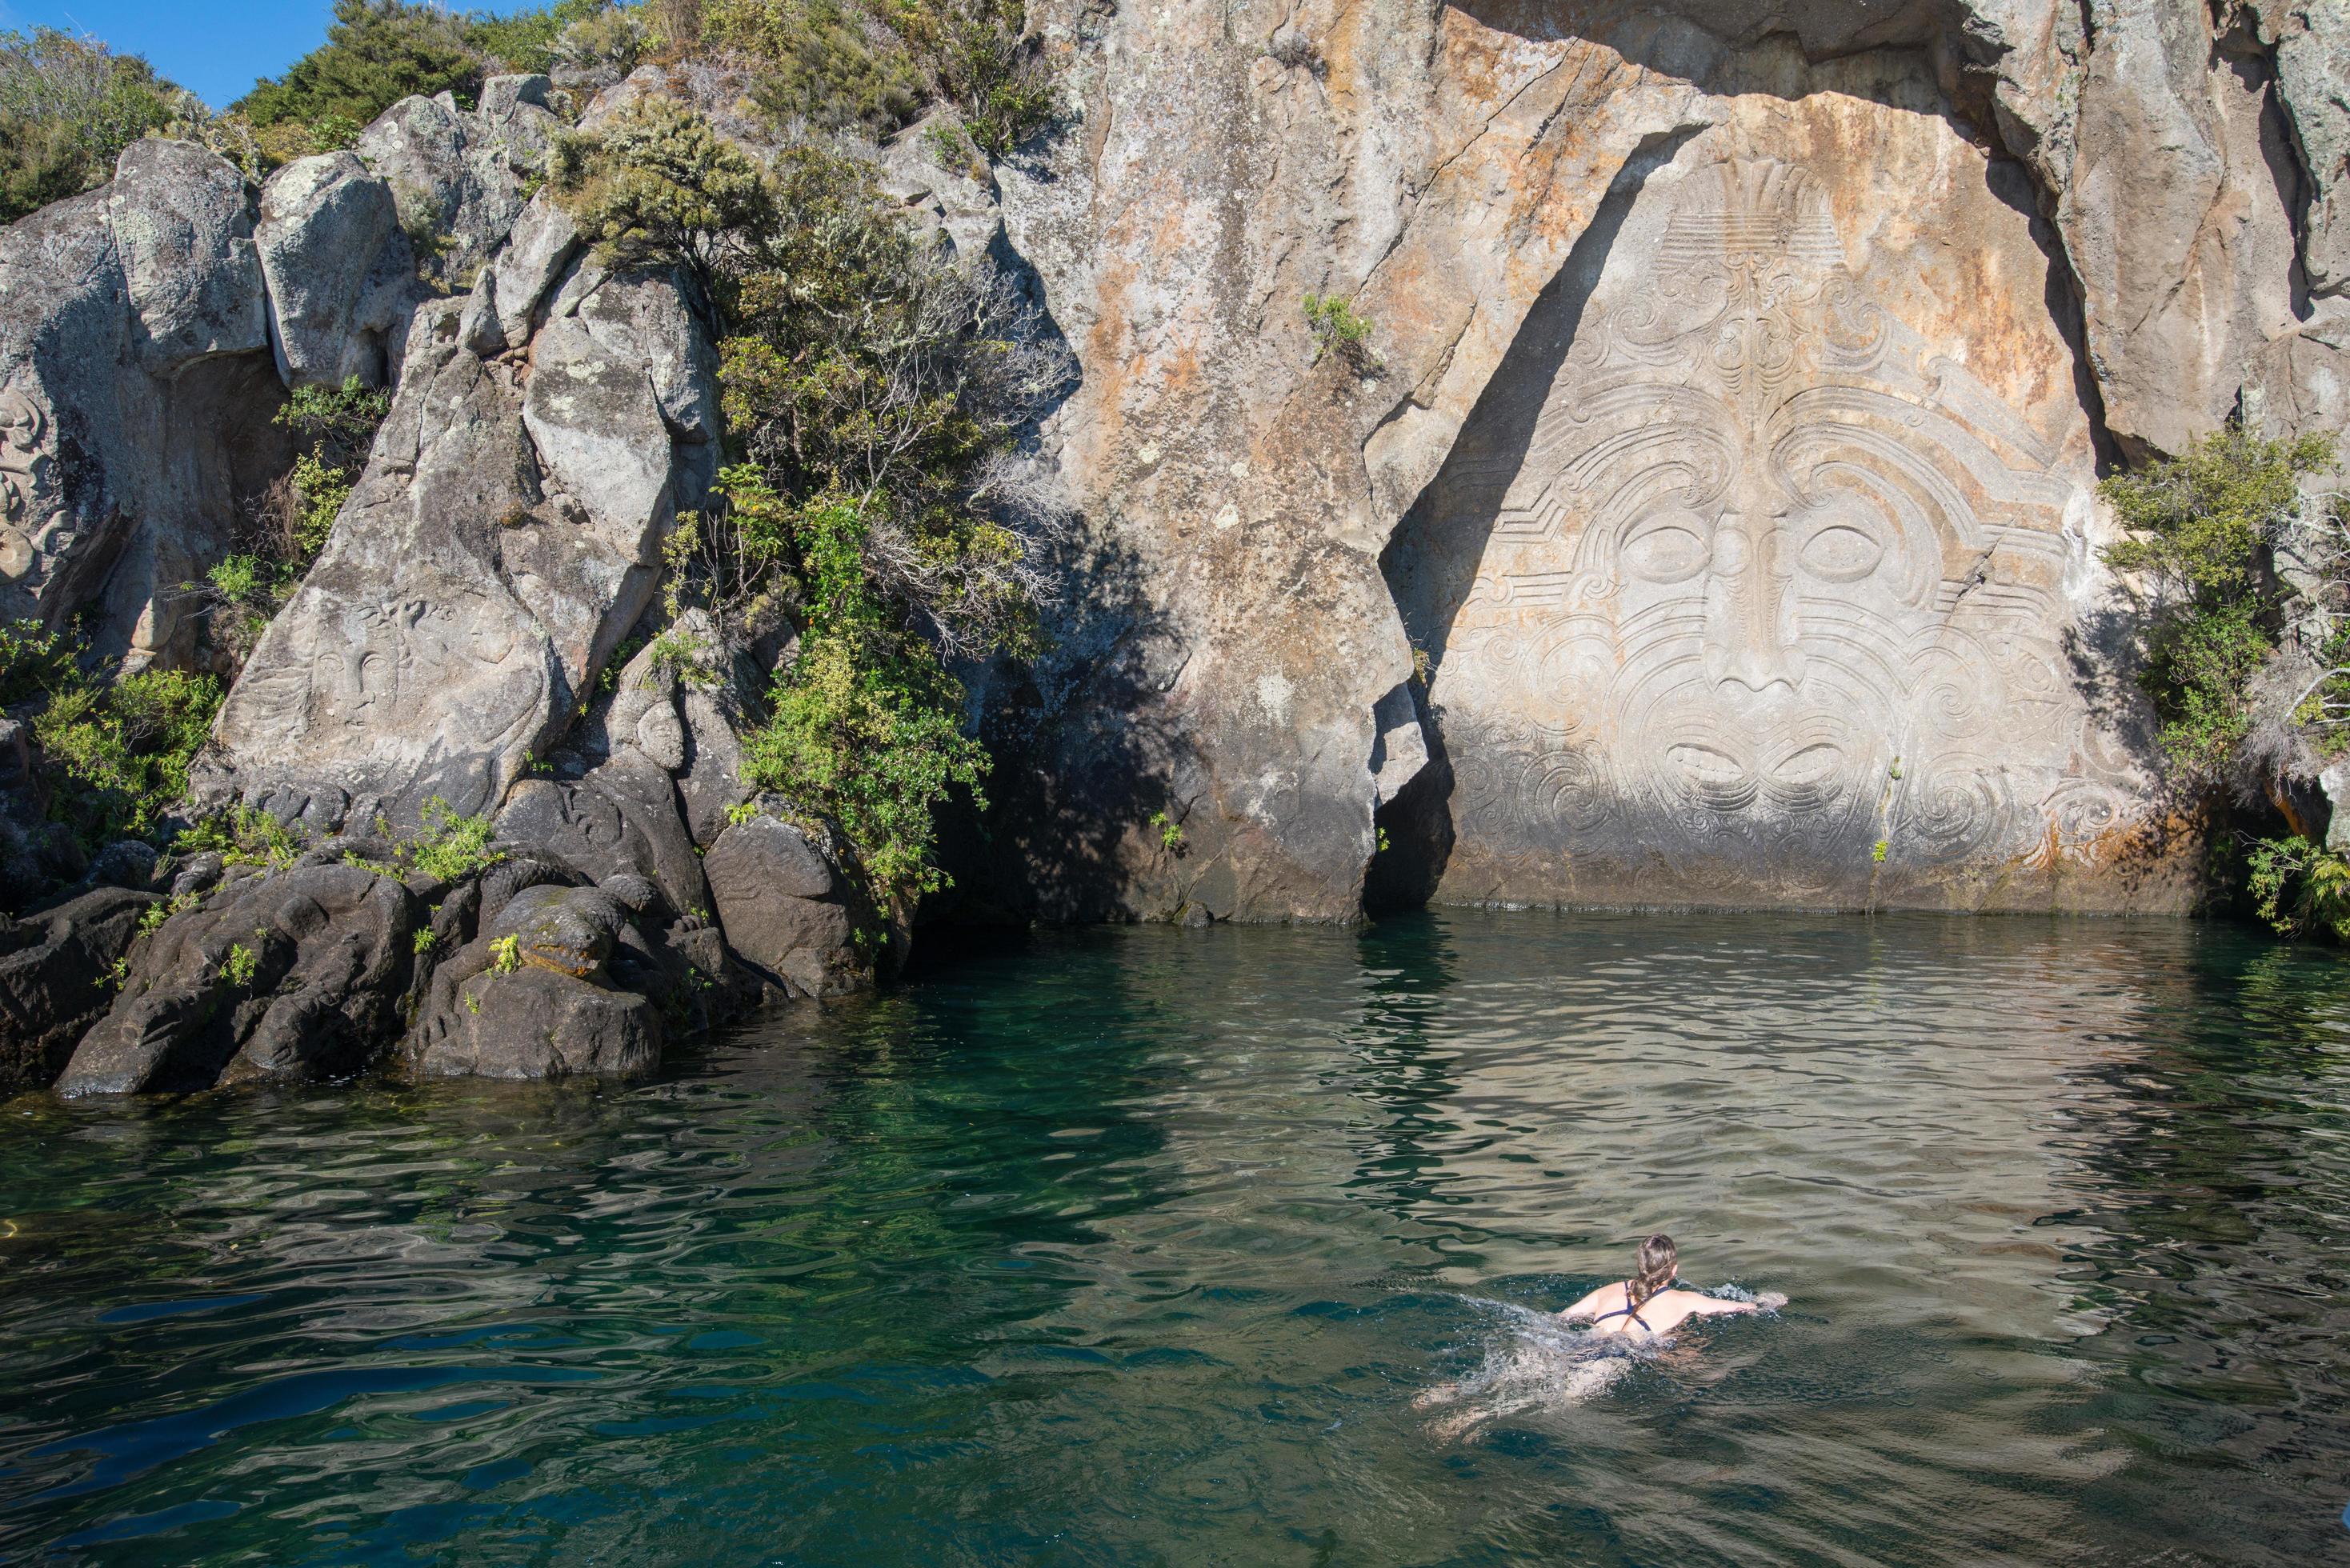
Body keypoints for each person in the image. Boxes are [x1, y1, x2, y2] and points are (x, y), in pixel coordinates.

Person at [1559, 1234, 1772, 1338]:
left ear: (1640, 1264)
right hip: (1621, 1355)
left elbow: (1561, 1319)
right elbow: (1747, 1308)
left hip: (1584, 1341)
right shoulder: (1686, 1300)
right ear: (1674, 1270)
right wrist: (1769, 1300)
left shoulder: (1607, 1291)